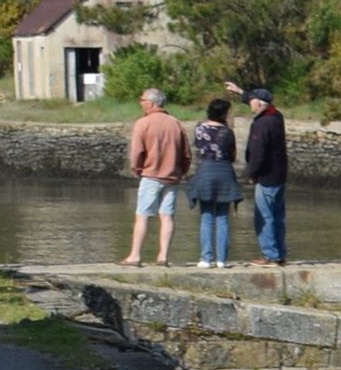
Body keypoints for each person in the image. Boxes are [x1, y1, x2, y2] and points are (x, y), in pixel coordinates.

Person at [123, 87, 188, 266]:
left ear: (151, 103)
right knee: (167, 216)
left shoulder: (142, 123)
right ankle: (163, 256)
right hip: (172, 177)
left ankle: (135, 255)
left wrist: (137, 169)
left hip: (151, 175)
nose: (141, 103)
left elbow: (137, 152)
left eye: (143, 100)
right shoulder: (175, 123)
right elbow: (186, 154)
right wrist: (181, 171)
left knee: (143, 215)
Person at [186, 94, 242, 266]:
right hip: (224, 171)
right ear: (224, 113)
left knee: (206, 217)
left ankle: (205, 258)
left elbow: (198, 148)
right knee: (222, 218)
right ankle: (221, 260)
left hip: (206, 171)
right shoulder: (227, 132)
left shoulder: (199, 129)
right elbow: (232, 155)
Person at [240, 84, 287, 263]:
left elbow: (258, 152)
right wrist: (240, 92)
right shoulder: (277, 116)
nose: (250, 104)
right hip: (280, 174)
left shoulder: (262, 124)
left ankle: (270, 255)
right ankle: (280, 254)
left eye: (252, 101)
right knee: (278, 217)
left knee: (264, 217)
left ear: (259, 103)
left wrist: (251, 173)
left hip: (266, 176)